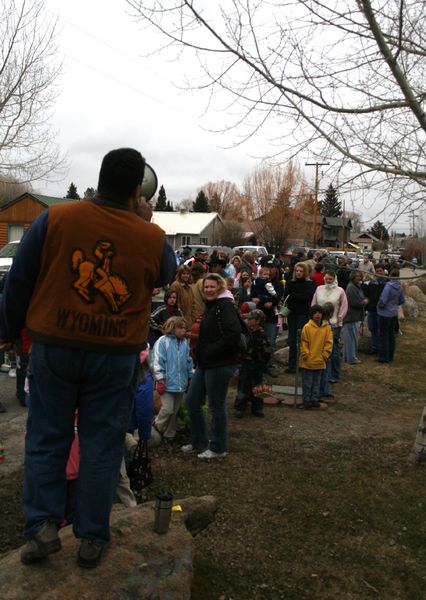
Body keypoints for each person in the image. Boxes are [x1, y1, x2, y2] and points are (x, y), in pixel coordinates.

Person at [0, 148, 176, 568]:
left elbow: (19, 278)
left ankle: (43, 527)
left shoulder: (56, 218)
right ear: (138, 190)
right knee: (102, 444)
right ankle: (92, 535)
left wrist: (9, 333)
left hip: (54, 346)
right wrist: (146, 222)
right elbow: (167, 272)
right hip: (114, 355)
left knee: (46, 437)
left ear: (99, 179)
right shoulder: (149, 234)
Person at [183, 273, 240, 458]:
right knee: (192, 400)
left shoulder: (225, 307)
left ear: (220, 287)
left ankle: (218, 447)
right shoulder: (211, 306)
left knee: (216, 405)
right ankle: (199, 441)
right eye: (206, 287)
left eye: (212, 286)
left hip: (220, 363)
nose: (208, 289)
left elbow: (232, 334)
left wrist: (209, 351)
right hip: (205, 363)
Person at [152, 316, 193, 443]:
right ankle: (155, 428)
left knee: (174, 411)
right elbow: (157, 361)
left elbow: (188, 360)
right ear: (172, 327)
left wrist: (190, 376)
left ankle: (169, 435)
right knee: (167, 409)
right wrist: (160, 379)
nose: (183, 330)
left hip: (181, 384)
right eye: (180, 328)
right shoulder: (163, 341)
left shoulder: (185, 343)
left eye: (184, 328)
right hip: (167, 383)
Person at [233, 309, 272, 418]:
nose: (248, 320)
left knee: (258, 388)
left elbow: (267, 351)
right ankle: (240, 407)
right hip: (246, 364)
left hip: (257, 365)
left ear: (258, 321)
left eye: (251, 319)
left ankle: (257, 408)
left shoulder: (262, 334)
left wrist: (263, 363)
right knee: (243, 387)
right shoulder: (246, 333)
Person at [312, 270, 348, 384]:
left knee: (333, 350)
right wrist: (313, 317)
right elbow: (314, 303)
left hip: (334, 324)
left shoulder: (340, 291)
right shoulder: (319, 289)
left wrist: (340, 317)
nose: (328, 281)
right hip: (319, 323)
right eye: (326, 279)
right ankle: (321, 371)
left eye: (330, 279)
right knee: (320, 348)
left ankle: (334, 374)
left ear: (334, 279)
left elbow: (345, 305)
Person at [251, 265, 283, 377]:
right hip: (258, 314)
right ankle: (258, 366)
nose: (270, 272)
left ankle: (270, 365)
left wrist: (264, 299)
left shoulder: (277, 284)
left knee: (271, 342)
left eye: (272, 269)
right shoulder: (256, 283)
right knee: (256, 341)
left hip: (270, 316)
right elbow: (253, 297)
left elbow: (277, 298)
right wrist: (259, 299)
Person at [299, 305, 333, 410]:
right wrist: (306, 355)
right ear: (311, 314)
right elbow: (304, 343)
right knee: (307, 382)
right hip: (308, 361)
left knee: (317, 382)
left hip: (320, 361)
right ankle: (306, 400)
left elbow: (329, 343)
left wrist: (324, 355)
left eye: (319, 313)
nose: (317, 315)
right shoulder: (307, 327)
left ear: (322, 314)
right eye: (315, 313)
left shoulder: (327, 328)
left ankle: (314, 399)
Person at [284, 262, 315, 374]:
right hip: (292, 314)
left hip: (303, 313)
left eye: (301, 271)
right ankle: (292, 365)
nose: (298, 273)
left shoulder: (309, 284)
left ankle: (302, 364)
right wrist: (295, 296)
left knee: (301, 340)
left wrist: (294, 296)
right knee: (292, 339)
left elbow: (307, 297)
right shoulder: (291, 282)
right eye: (297, 271)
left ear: (305, 272)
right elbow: (286, 295)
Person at [377, 268, 405, 363]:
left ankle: (383, 357)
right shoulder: (400, 287)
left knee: (383, 335)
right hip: (393, 313)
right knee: (391, 335)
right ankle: (390, 356)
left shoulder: (388, 286)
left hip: (384, 313)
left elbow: (383, 300)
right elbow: (402, 300)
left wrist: (379, 305)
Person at [342, 271, 368, 364]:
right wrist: (363, 302)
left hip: (355, 316)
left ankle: (348, 357)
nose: (359, 277)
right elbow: (353, 302)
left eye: (360, 276)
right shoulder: (351, 287)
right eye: (357, 276)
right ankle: (351, 358)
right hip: (351, 316)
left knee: (352, 338)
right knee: (351, 339)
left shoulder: (357, 286)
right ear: (353, 277)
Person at [362, 264, 387, 354]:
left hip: (382, 310)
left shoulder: (387, 283)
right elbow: (367, 294)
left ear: (384, 271)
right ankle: (375, 347)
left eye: (380, 270)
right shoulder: (372, 283)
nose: (379, 272)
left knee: (381, 330)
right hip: (372, 309)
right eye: (377, 271)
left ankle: (382, 348)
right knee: (372, 328)